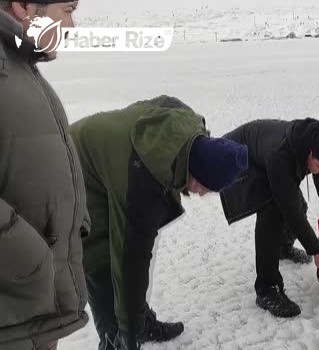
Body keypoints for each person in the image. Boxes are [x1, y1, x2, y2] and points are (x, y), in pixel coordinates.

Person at [70, 95, 248, 350]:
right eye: (204, 188)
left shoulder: (186, 127)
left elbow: (161, 102)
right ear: (196, 173)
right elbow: (130, 258)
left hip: (108, 152)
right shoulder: (141, 181)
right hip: (77, 167)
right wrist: (129, 333)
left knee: (127, 260)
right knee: (100, 255)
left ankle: (139, 322)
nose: (202, 194)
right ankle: (114, 337)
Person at [0, 2, 87, 350]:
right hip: (13, 310)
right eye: (67, 10)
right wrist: (31, 257)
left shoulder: (18, 64)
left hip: (31, 310)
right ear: (24, 6)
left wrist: (77, 223)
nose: (72, 24)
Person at [220, 118, 319, 318]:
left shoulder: (318, 139)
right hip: (237, 158)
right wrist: (317, 251)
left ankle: (282, 248)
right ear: (310, 152)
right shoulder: (281, 156)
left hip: (262, 152)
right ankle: (266, 289)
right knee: (273, 212)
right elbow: (290, 210)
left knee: (297, 205)